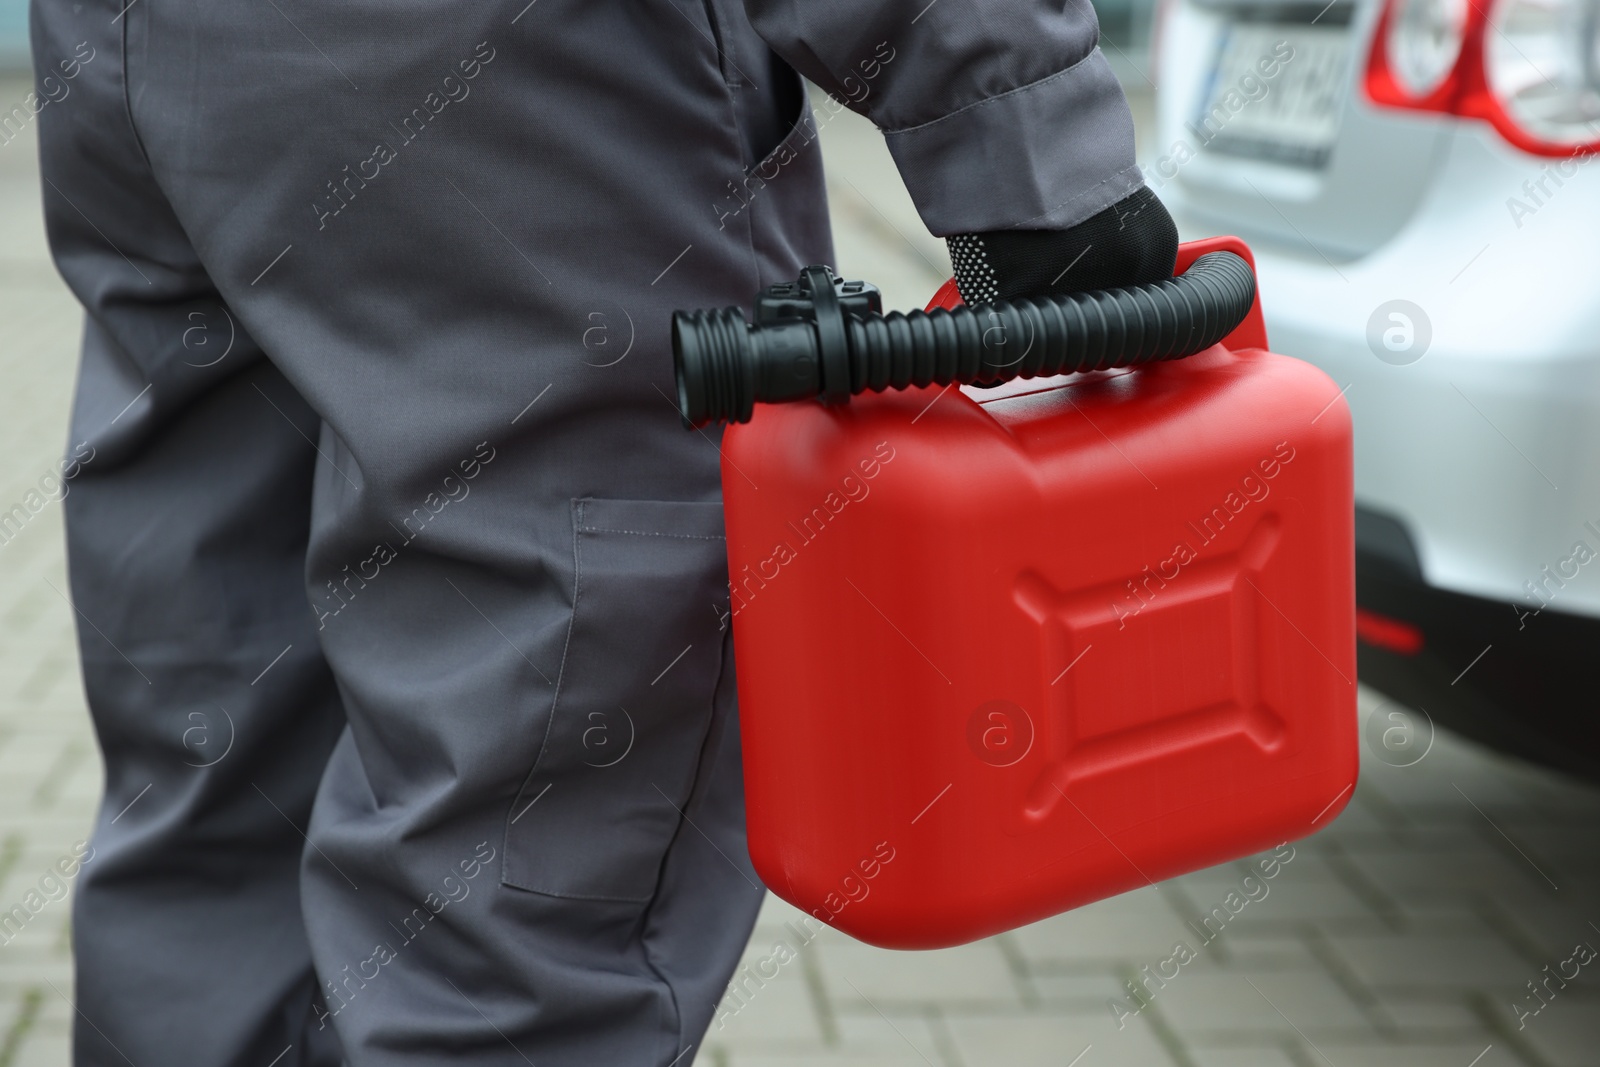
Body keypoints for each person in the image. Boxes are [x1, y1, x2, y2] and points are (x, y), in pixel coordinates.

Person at [30, 0, 1176, 1062]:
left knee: (216, 791)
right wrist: (1020, 127)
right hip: (502, 76)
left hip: (132, 57)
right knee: (515, 916)